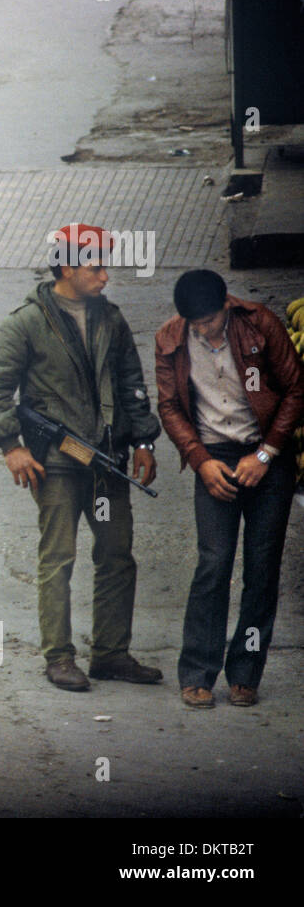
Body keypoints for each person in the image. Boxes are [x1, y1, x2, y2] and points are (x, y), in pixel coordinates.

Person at [0, 223, 162, 691]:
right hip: (54, 463)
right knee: (58, 558)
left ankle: (111, 653)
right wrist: (11, 447)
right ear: (68, 267)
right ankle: (58, 656)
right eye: (96, 267)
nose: (104, 276)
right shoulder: (28, 321)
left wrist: (143, 441)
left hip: (107, 459)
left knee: (117, 555)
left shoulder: (111, 319)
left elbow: (132, 384)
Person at [154, 270, 303, 708]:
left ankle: (246, 671)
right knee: (213, 565)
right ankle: (198, 672)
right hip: (214, 457)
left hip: (265, 455)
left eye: (208, 321)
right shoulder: (170, 338)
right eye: (193, 323)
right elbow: (169, 405)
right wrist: (200, 462)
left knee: (262, 570)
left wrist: (267, 454)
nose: (202, 330)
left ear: (226, 304)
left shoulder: (259, 324)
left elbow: (296, 389)